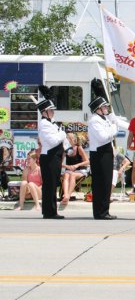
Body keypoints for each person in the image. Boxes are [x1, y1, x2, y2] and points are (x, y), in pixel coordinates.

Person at [88, 92, 119, 220]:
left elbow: (115, 124)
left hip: (106, 151)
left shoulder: (104, 119)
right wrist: (113, 130)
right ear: (98, 109)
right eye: (104, 107)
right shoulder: (94, 120)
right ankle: (100, 212)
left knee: (107, 182)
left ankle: (105, 210)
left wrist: (112, 128)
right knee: (100, 183)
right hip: (99, 153)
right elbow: (103, 137)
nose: (106, 108)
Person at [37, 87, 66, 219]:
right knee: (49, 185)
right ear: (45, 112)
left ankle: (52, 211)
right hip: (49, 157)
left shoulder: (51, 123)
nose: (53, 112)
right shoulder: (44, 124)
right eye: (51, 110)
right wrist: (62, 133)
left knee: (53, 184)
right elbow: (53, 140)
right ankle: (49, 212)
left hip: (54, 157)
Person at [60, 133, 89, 205]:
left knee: (72, 175)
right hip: (69, 169)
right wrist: (67, 166)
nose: (67, 139)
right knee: (66, 175)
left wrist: (76, 165)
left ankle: (68, 196)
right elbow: (59, 164)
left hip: (80, 170)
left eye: (68, 138)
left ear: (73, 139)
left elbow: (87, 161)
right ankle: (66, 195)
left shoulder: (79, 148)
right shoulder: (65, 149)